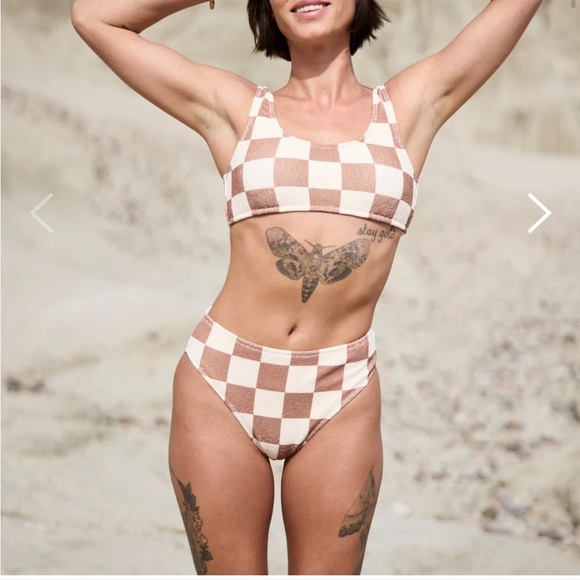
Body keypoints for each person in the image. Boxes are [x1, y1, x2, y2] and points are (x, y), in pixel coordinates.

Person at [71, 0, 543, 574]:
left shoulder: (408, 110)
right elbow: (96, 18)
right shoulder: (237, 109)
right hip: (222, 383)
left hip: (340, 392)